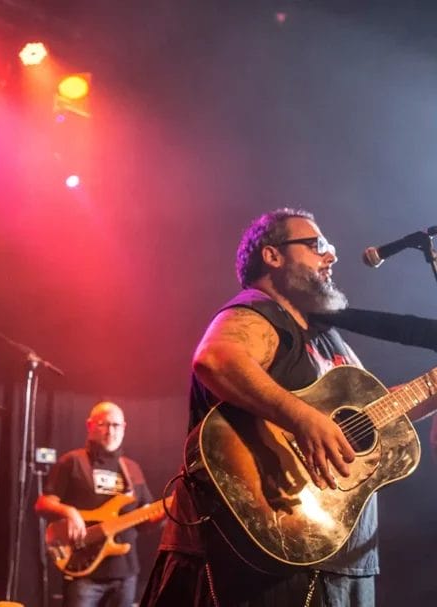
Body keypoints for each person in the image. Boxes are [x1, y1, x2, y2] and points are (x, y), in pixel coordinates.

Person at [141, 208, 403, 607]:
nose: (330, 256)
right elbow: (217, 360)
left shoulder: (329, 337)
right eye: (316, 245)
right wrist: (302, 419)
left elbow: (378, 413)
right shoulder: (258, 312)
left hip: (337, 553)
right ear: (272, 255)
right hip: (258, 560)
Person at [35, 401, 161, 607]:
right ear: (89, 425)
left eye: (116, 425)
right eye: (104, 424)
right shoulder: (73, 461)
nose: (111, 431)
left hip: (125, 573)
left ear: (124, 428)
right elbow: (42, 503)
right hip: (84, 571)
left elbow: (145, 520)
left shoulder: (132, 469)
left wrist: (168, 510)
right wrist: (69, 512)